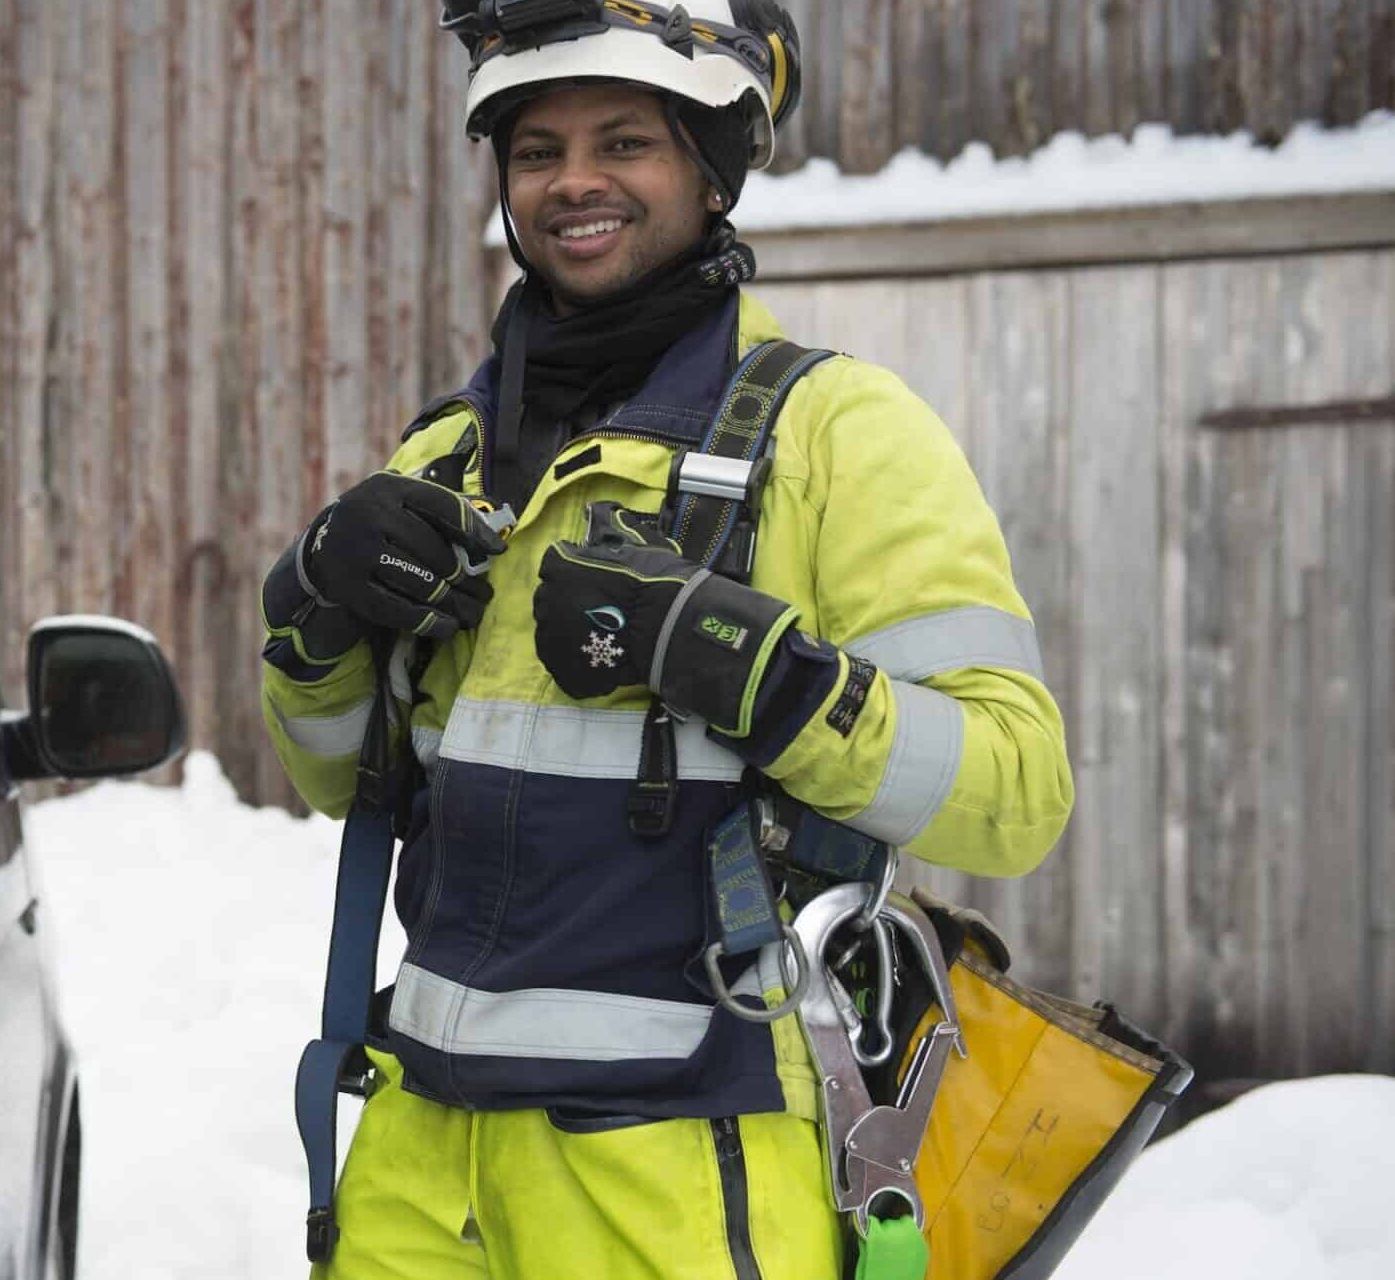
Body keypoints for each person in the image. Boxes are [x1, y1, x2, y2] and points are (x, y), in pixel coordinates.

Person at [258, 2, 1073, 1276]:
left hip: (687, 1169)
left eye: (623, 140)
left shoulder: (835, 433)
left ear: (708, 167)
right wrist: (312, 607)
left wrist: (761, 677)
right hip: (422, 1162)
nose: (573, 180)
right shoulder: (445, 456)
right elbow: (333, 776)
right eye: (536, 149)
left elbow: (1015, 791)